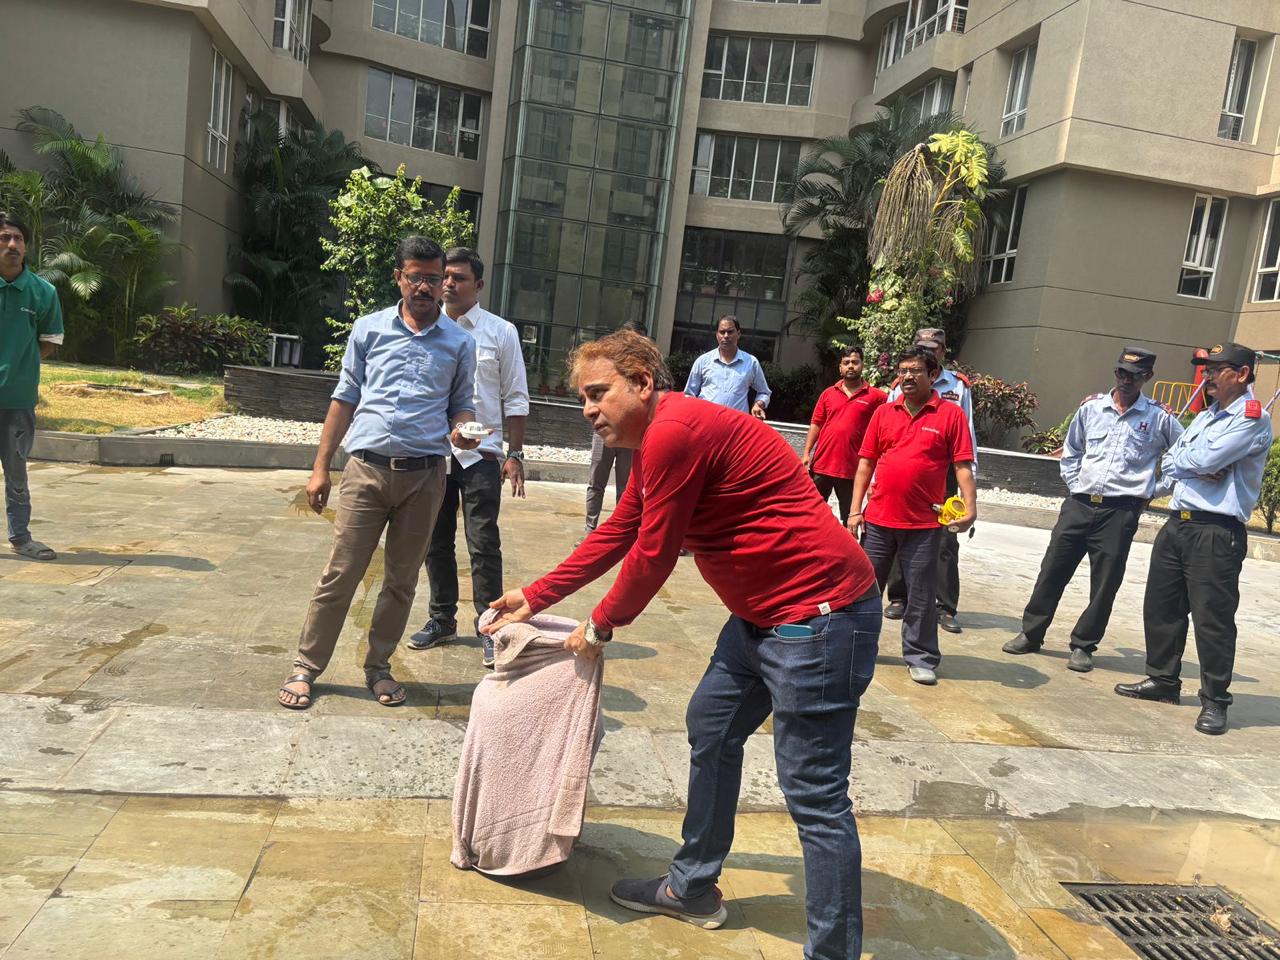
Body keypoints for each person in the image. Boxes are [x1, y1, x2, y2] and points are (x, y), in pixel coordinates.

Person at [483, 330, 881, 960]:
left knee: (815, 794)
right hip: (759, 620)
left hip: (820, 620)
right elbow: (625, 525)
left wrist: (602, 624)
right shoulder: (656, 438)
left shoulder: (674, 432)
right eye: (582, 398)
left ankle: (833, 952)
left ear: (643, 383)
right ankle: (693, 888)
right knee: (712, 729)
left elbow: (654, 552)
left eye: (598, 393)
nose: (588, 409)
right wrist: (534, 596)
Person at [278, 235, 481, 710]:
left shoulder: (459, 342)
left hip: (424, 478)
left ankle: (378, 667)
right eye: (416, 277)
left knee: (402, 580)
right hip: (366, 472)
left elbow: (461, 404)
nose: (425, 287)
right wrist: (320, 469)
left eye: (434, 279)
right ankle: (307, 666)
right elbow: (344, 398)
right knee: (340, 573)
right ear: (399, 278)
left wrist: (464, 431)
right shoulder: (369, 330)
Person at [1115, 342, 1273, 736]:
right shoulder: (1206, 416)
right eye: (1207, 369)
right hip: (1178, 524)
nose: (1207, 376)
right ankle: (1163, 680)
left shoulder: (1252, 418)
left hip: (1216, 531)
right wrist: (1195, 464)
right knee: (1162, 606)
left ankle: (1215, 700)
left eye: (1217, 369)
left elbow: (1202, 460)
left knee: (1212, 618)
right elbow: (1171, 460)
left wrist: (1195, 462)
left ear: (1241, 374)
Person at [1003, 348, 1182, 672]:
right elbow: (1072, 449)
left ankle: (1084, 645)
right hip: (1080, 505)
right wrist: (1075, 484)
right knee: (1052, 570)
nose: (1126, 380)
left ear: (1147, 377)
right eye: (1121, 373)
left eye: (1134, 376)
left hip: (1120, 511)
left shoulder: (1159, 417)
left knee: (1105, 582)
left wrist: (1153, 491)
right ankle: (1031, 633)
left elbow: (1182, 455)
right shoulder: (1091, 408)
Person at [408, 248, 529, 667]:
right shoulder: (428, 328)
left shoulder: (500, 332)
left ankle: (489, 627)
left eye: (458, 278)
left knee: (483, 543)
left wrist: (514, 453)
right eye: (445, 276)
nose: (448, 284)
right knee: (435, 541)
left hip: (483, 457)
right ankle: (441, 619)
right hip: (435, 453)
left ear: (478, 285)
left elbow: (516, 397)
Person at [848, 346, 976, 686]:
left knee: (921, 594)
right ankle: (856, 648)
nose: (907, 376)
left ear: (932, 375)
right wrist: (855, 511)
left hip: (923, 525)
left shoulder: (950, 415)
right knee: (864, 590)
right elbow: (866, 463)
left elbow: (963, 465)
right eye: (903, 370)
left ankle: (920, 657)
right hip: (878, 521)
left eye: (916, 370)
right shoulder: (883, 413)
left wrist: (971, 508)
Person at [883, 327, 976, 634]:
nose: (927, 351)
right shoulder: (901, 383)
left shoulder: (958, 386)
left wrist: (969, 480)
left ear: (943, 352)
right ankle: (899, 597)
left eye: (933, 347)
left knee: (946, 538)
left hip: (944, 470)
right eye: (922, 346)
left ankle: (945, 606)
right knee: (899, 531)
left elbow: (967, 432)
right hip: (906, 469)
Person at [0, 212, 63, 562]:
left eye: (18, 239)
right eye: (4, 238)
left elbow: (49, 340)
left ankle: (21, 538)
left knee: (17, 473)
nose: (12, 244)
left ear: (25, 246)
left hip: (18, 399)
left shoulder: (43, 292)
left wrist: (19, 364)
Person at [801, 345, 886, 524]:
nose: (850, 366)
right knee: (810, 513)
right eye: (846, 363)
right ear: (840, 368)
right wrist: (806, 453)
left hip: (852, 469)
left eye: (855, 362)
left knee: (850, 519)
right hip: (822, 466)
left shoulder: (877, 397)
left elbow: (883, 431)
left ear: (862, 366)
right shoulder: (828, 394)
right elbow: (816, 423)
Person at [683, 315, 771, 418]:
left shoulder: (751, 363)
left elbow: (764, 392)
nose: (726, 336)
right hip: (706, 422)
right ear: (717, 335)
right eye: (722, 332)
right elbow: (689, 394)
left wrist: (758, 405)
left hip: (737, 424)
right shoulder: (702, 361)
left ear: (738, 334)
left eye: (730, 332)